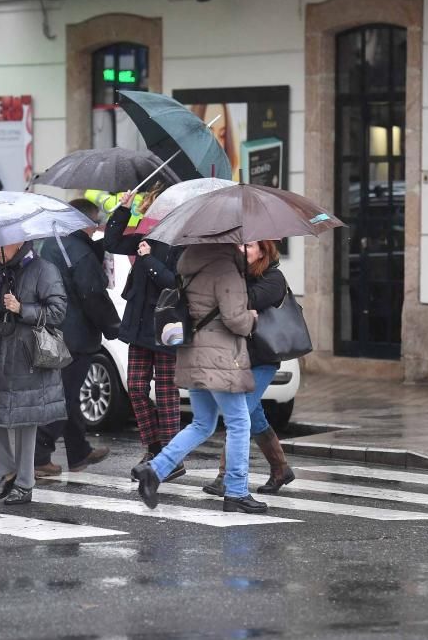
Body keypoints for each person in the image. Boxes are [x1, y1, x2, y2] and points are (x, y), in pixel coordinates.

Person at [131, 243, 268, 514]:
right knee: (240, 423)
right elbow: (234, 319)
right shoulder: (226, 270)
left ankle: (155, 470)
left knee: (202, 423)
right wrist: (252, 318)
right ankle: (237, 491)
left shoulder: (189, 263)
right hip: (219, 357)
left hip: (192, 352)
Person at [0, 240, 67, 505]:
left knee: (25, 421)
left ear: (18, 243)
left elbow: (58, 311)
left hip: (28, 355)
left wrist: (22, 309)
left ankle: (25, 483)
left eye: (1, 246)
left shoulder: (43, 269)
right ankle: (7, 474)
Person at [103, 185, 185, 480]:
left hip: (167, 324)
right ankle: (153, 447)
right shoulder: (145, 235)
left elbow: (174, 283)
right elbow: (111, 242)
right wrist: (123, 209)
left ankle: (171, 457)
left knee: (166, 393)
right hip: (139, 323)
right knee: (135, 386)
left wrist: (148, 259)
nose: (152, 212)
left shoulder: (183, 242)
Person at [33, 199, 120, 476]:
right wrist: (114, 327)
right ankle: (39, 457)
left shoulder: (52, 244)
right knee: (64, 397)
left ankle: (79, 451)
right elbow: (92, 293)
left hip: (52, 331)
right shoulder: (78, 252)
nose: (97, 228)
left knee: (64, 393)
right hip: (74, 335)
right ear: (86, 222)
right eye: (95, 222)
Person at [203, 240, 295, 497]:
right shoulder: (236, 276)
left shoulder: (274, 278)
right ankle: (280, 468)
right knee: (252, 415)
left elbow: (248, 299)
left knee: (239, 413)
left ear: (263, 252)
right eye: (239, 246)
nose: (242, 250)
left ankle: (225, 476)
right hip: (237, 357)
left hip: (262, 358)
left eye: (249, 246)